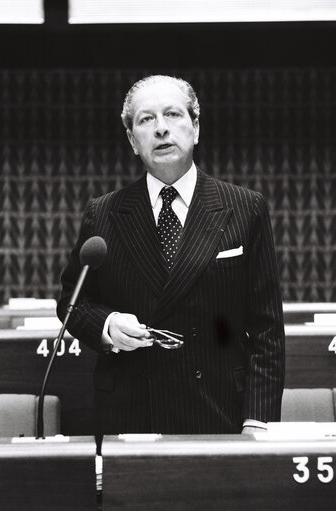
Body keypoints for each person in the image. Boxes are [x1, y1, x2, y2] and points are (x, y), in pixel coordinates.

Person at [57, 75, 285, 440]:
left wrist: (257, 420)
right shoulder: (103, 213)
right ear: (133, 140)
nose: (161, 129)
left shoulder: (245, 207)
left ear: (195, 128)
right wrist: (108, 324)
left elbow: (267, 327)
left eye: (173, 114)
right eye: (146, 120)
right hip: (130, 414)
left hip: (219, 410)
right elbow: (73, 300)